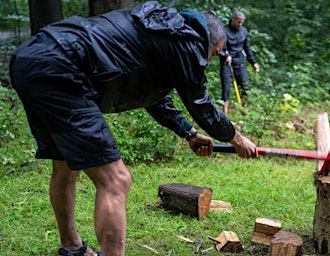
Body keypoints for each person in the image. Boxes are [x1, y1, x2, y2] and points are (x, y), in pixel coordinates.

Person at [9, 1, 258, 256]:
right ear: (207, 39)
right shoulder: (187, 40)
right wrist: (236, 139)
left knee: (64, 165)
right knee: (117, 180)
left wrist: (189, 133)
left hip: (31, 60)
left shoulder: (163, 32)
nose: (207, 62)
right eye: (213, 54)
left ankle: (71, 247)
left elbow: (153, 95)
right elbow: (200, 103)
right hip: (62, 69)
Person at [219, 11, 260, 113]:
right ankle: (225, 113)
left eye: (242, 22)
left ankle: (244, 110)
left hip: (240, 61)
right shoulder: (224, 31)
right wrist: (226, 55)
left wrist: (253, 62)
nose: (240, 24)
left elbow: (247, 48)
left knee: (245, 85)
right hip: (227, 63)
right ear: (232, 19)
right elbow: (219, 47)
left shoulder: (243, 31)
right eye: (238, 22)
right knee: (226, 87)